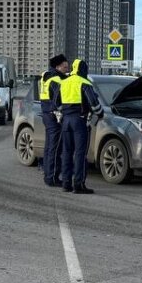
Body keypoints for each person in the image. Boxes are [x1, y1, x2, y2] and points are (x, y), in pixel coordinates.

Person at [58, 58, 102, 194]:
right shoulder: (84, 82)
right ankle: (78, 185)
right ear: (83, 70)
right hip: (79, 121)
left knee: (67, 152)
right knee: (80, 154)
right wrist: (99, 113)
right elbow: (94, 104)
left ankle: (66, 183)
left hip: (66, 121)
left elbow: (56, 102)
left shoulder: (64, 82)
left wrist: (65, 112)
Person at [39, 54, 71, 186]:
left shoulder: (46, 76)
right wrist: (63, 109)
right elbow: (58, 99)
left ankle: (48, 175)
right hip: (55, 116)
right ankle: (52, 177)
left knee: (49, 147)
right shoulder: (56, 80)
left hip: (47, 113)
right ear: (58, 66)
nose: (67, 69)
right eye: (65, 66)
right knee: (56, 148)